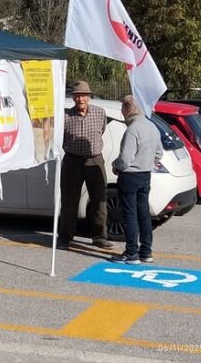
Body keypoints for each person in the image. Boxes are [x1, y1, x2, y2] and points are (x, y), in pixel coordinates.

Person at [58, 81, 113, 250]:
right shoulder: (65, 116)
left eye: (83, 95)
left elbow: (101, 131)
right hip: (72, 160)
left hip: (94, 160)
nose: (80, 98)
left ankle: (99, 237)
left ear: (89, 97)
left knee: (99, 200)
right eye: (77, 95)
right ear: (73, 97)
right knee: (69, 201)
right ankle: (66, 237)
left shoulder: (99, 113)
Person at [111, 96, 163, 264]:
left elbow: (126, 158)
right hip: (145, 174)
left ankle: (131, 252)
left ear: (128, 109)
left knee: (129, 215)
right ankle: (146, 251)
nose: (121, 112)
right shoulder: (152, 126)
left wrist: (116, 165)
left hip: (130, 176)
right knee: (144, 214)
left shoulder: (133, 129)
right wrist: (146, 161)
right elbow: (159, 153)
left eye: (122, 109)